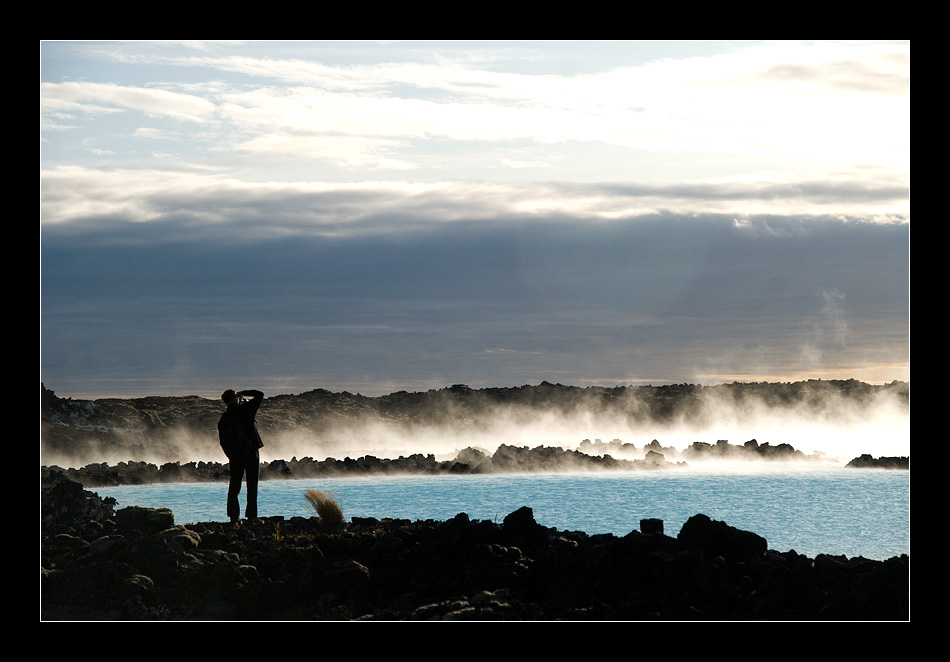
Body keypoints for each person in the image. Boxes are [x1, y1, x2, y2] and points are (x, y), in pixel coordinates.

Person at [219, 388, 265, 524]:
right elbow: (260, 395)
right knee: (252, 485)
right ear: (234, 398)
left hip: (235, 455)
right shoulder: (246, 409)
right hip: (251, 452)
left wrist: (231, 455)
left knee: (234, 486)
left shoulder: (225, 417)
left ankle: (234, 517)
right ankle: (252, 517)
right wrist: (244, 392)